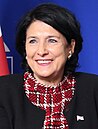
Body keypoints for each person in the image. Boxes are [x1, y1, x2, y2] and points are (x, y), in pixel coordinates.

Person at [0, 3, 98, 129]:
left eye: (52, 40)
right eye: (33, 41)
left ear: (70, 47)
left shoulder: (93, 88)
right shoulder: (3, 91)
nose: (41, 51)